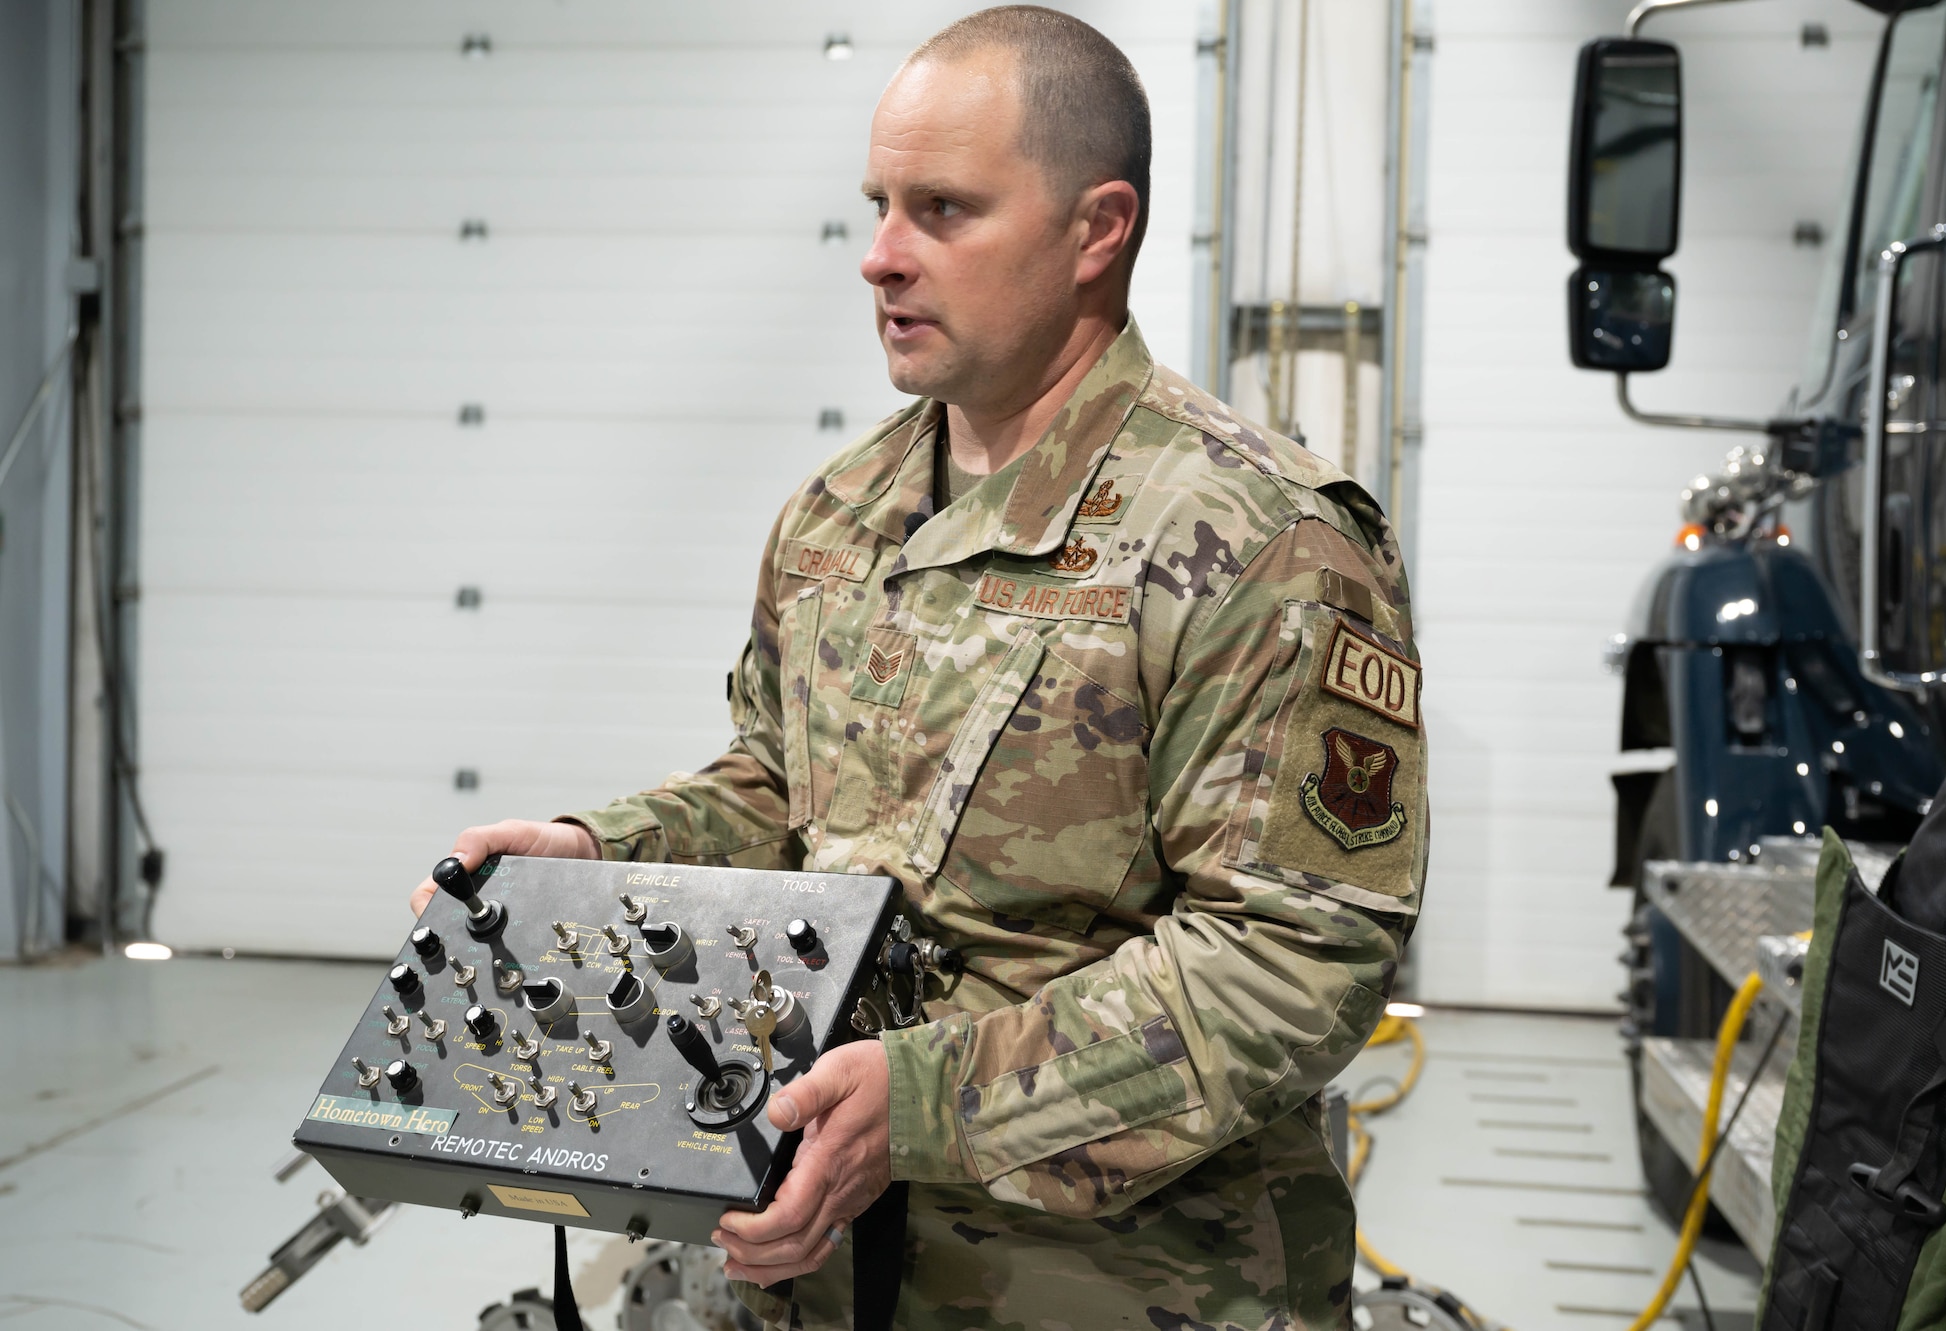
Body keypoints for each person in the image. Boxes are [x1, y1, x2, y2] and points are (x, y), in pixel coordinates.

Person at [410, 8, 1426, 1328]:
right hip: (816, 1272)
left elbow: (1294, 963)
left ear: (1095, 230)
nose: (882, 257)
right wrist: (596, 851)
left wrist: (929, 1107)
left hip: (1121, 1289)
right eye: (881, 205)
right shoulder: (839, 514)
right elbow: (779, 794)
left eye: (944, 210)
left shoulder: (1254, 538)